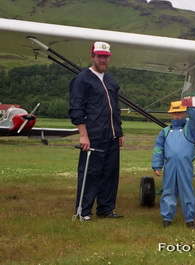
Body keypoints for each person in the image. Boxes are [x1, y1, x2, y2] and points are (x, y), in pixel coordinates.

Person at [69, 41, 124, 221]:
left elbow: (115, 107)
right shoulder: (83, 79)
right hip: (94, 135)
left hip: (112, 135)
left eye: (106, 57)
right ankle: (83, 211)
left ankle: (106, 209)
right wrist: (83, 134)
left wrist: (119, 131)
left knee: (110, 173)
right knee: (90, 173)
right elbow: (76, 108)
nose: (103, 60)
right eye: (99, 56)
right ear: (92, 56)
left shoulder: (110, 80)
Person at [152, 99, 195, 229]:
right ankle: (167, 218)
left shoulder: (190, 130)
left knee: (187, 190)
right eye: (175, 113)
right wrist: (157, 166)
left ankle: (190, 219)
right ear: (170, 114)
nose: (177, 116)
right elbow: (158, 149)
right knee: (168, 190)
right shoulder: (165, 131)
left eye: (180, 112)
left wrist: (191, 106)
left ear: (185, 113)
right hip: (169, 166)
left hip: (185, 166)